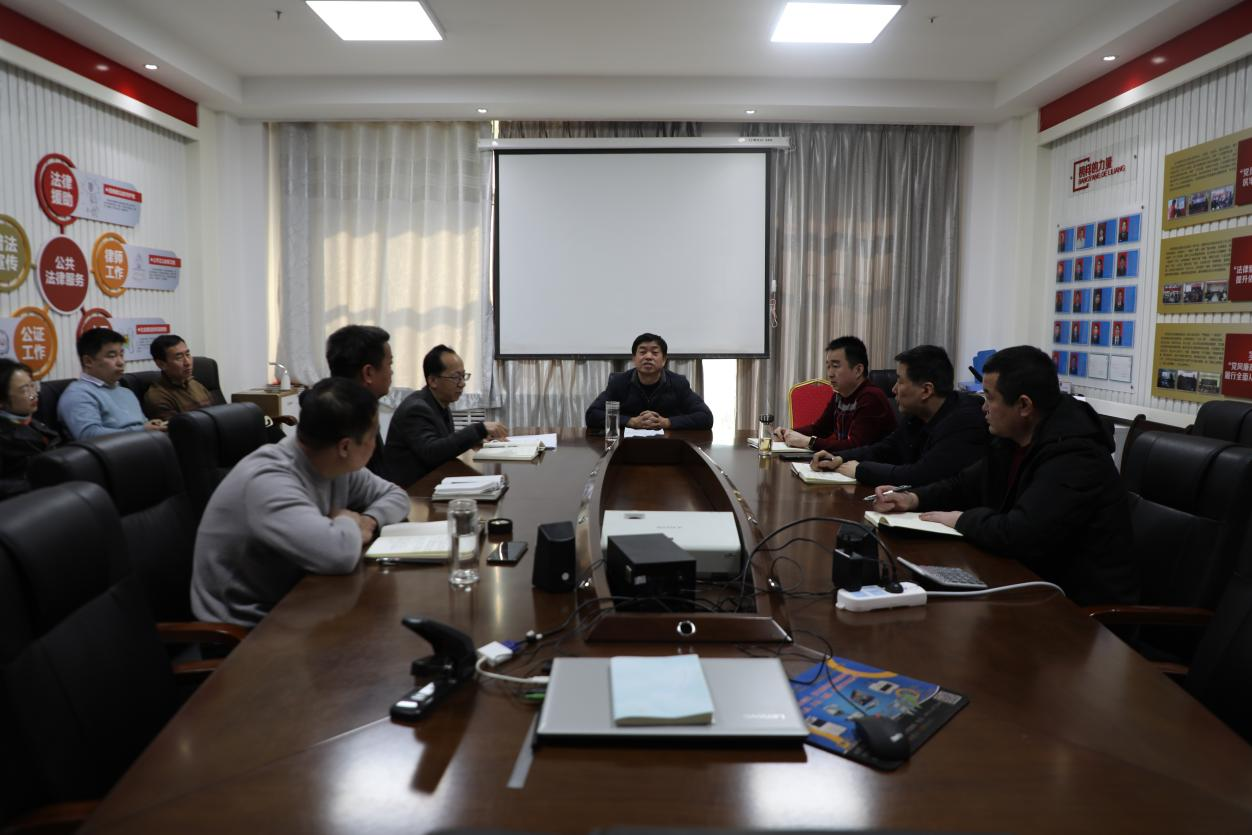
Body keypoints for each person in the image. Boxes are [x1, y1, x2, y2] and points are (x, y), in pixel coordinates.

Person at [870, 345, 1137, 605]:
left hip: (1079, 609)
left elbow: (1021, 533)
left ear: (1024, 405)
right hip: (1029, 583)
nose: (983, 408)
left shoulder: (1075, 456)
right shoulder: (1014, 439)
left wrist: (961, 519)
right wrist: (913, 498)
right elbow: (964, 484)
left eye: (989, 397)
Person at [191, 377, 410, 628]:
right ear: (345, 447)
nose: (375, 443)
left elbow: (396, 496)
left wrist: (369, 520)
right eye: (372, 435)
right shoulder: (269, 481)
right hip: (247, 630)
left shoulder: (334, 462)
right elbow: (338, 554)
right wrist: (346, 521)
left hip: (300, 600)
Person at [810, 345, 989, 487]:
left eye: (900, 381)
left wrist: (860, 470)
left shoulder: (964, 421)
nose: (893, 389)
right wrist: (840, 457)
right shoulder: (917, 414)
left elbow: (920, 475)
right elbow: (886, 448)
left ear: (926, 390)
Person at [385, 345, 508, 486]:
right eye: (456, 377)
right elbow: (432, 453)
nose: (462, 384)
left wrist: (473, 439)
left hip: (433, 480)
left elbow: (444, 445)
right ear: (433, 381)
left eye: (463, 376)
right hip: (413, 490)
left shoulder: (440, 402)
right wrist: (479, 429)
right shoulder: (416, 408)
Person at [773, 336, 896, 453]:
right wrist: (788, 433)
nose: (830, 374)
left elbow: (855, 446)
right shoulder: (840, 395)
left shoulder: (871, 397)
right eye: (828, 367)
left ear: (858, 370)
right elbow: (820, 429)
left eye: (836, 366)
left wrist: (809, 442)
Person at [585, 333, 713, 431]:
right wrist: (630, 421)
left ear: (664, 360)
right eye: (642, 352)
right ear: (634, 359)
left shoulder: (678, 383)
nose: (648, 357)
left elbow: (705, 417)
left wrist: (667, 422)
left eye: (655, 352)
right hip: (626, 446)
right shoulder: (619, 383)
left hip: (669, 445)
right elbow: (592, 415)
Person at [58, 328, 165, 439]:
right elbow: (89, 435)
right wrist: (142, 430)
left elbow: (142, 424)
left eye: (121, 355)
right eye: (112, 356)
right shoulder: (78, 394)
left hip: (146, 444)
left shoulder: (126, 391)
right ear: (88, 361)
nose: (121, 362)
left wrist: (152, 425)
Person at [326, 324, 393, 477]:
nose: (391, 372)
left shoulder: (360, 408)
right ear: (368, 373)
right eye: (389, 364)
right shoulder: (345, 421)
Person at [0, 359, 61, 497]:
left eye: (32, 386)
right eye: (24, 390)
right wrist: (37, 484)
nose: (34, 395)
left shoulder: (29, 421)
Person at [143, 334, 215, 421]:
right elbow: (178, 427)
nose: (187, 363)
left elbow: (216, 413)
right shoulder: (157, 397)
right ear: (161, 364)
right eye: (179, 357)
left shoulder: (195, 383)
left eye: (188, 354)